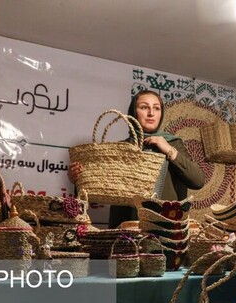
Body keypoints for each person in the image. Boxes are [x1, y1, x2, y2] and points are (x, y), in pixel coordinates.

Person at [68, 90, 205, 228]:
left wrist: (167, 149)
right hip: (125, 228)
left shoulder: (173, 144)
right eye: (144, 107)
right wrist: (79, 179)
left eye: (156, 108)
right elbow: (98, 194)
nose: (151, 113)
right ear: (133, 112)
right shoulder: (121, 148)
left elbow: (197, 181)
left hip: (164, 229)